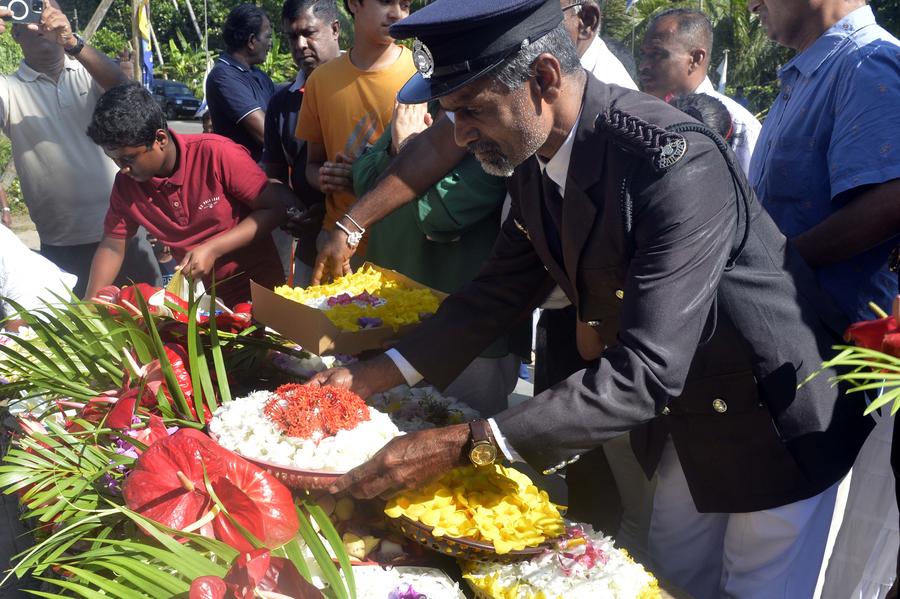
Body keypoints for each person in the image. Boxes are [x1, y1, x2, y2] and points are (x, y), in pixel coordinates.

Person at [307, 1, 874, 597]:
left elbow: (649, 367)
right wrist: (369, 378)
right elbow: (492, 297)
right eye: (451, 114)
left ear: (545, 78)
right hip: (689, 415)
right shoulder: (530, 158)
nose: (461, 133)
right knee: (676, 578)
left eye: (473, 110)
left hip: (774, 414)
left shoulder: (672, 159)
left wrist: (466, 446)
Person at [746, 0, 900, 595]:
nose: (752, 5)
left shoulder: (868, 63)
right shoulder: (814, 72)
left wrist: (770, 268)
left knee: (779, 566)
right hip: (783, 350)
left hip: (827, 363)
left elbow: (889, 201)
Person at [353, 101, 530, 417]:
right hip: (391, 324)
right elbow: (363, 181)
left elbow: (440, 214)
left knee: (458, 444)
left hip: (469, 341)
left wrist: (409, 145)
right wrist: (400, 148)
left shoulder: (492, 121)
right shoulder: (419, 106)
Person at [0, 0, 160, 299]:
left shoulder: (90, 70)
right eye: (29, 16)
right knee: (77, 340)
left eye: (45, 12)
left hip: (125, 232)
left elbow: (122, 88)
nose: (39, 23)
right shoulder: (8, 89)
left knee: (156, 327)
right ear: (15, 33)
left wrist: (72, 42)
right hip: (61, 245)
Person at [83, 83, 291, 306]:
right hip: (199, 300)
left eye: (128, 159)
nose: (121, 168)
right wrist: (90, 300)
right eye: (113, 159)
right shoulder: (127, 185)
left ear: (160, 139)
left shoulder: (216, 153)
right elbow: (113, 245)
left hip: (258, 289)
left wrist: (214, 248)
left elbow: (274, 209)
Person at [295, 0, 414, 259]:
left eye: (405, 5)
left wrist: (362, 178)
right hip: (337, 241)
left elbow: (430, 163)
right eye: (385, 2)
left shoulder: (421, 75)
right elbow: (311, 166)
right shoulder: (321, 80)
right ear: (354, 4)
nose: (397, 14)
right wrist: (327, 178)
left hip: (402, 243)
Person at [263, 0, 341, 287]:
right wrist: (291, 211)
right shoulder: (282, 104)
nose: (300, 44)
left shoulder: (362, 84)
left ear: (334, 29)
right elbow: (273, 175)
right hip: (310, 247)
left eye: (309, 33)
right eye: (291, 36)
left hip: (367, 244)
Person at [638, 8, 760, 174]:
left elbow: (749, 194)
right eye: (643, 55)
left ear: (695, 59)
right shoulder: (639, 116)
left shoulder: (740, 126)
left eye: (657, 54)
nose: (643, 65)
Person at [205, 4, 275, 162]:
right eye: (267, 36)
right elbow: (266, 134)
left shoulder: (259, 75)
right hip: (244, 178)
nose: (270, 43)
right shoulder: (223, 76)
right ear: (251, 41)